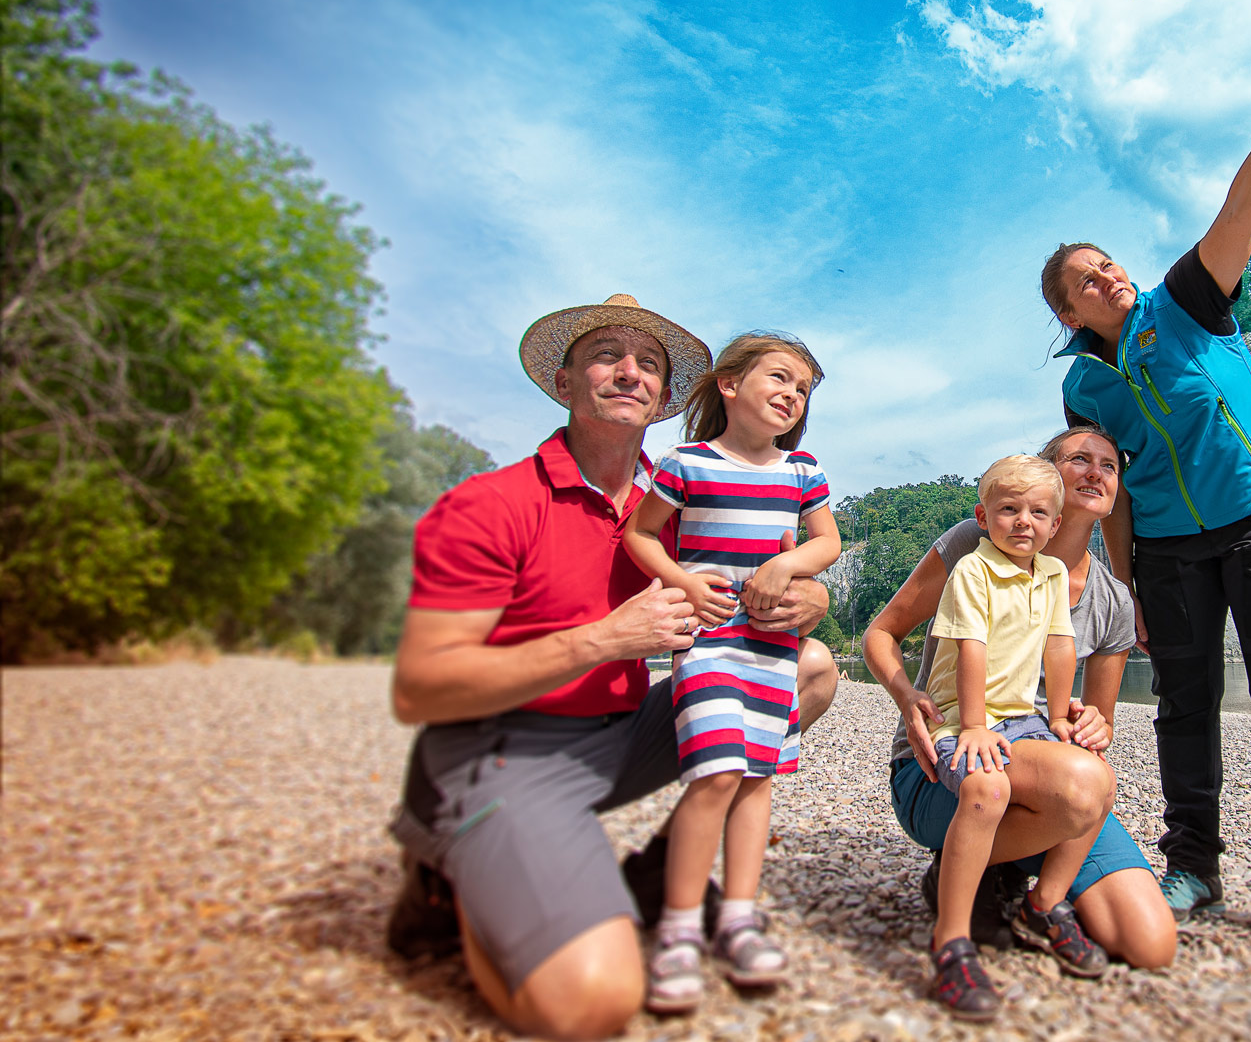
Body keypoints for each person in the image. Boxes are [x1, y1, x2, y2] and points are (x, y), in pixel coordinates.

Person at [385, 295, 838, 1040]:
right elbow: (420, 689)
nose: (630, 371)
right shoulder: (491, 504)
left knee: (812, 668)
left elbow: (771, 552)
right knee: (591, 1003)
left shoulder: (684, 488)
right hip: (504, 748)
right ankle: (453, 878)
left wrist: (806, 594)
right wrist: (599, 640)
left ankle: (663, 872)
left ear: (663, 397)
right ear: (564, 382)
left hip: (618, 732)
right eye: (606, 354)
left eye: (650, 363)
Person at [1039, 0, 1251, 970]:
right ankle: (1193, 865)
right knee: (1184, 703)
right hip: (1173, 551)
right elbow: (1111, 496)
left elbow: (1246, 200)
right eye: (1081, 280)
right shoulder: (1086, 395)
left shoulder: (1185, 300)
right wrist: (1126, 587)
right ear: (1068, 315)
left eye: (1106, 263)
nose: (1105, 275)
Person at [865, 426, 1178, 984]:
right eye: (1079, 459)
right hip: (942, 759)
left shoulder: (1111, 601)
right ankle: (966, 890)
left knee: (1148, 941)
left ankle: (1027, 893)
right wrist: (905, 693)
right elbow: (880, 635)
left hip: (1041, 762)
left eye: (1109, 465)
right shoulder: (971, 547)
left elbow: (1091, 726)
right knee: (1039, 785)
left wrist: (1089, 724)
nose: (1096, 472)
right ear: (1047, 473)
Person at [621, 333, 841, 1013]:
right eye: (779, 378)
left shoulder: (803, 471)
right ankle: (681, 930)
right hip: (710, 644)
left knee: (756, 782)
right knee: (715, 776)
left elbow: (827, 541)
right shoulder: (687, 463)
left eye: (802, 390)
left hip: (774, 649)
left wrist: (789, 566)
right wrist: (683, 581)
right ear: (728, 384)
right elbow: (639, 533)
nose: (791, 395)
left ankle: (738, 918)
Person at [918, 455, 1106, 1020]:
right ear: (983, 516)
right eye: (1009, 510)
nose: (1023, 522)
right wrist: (973, 725)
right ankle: (951, 942)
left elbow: (1058, 647)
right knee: (987, 791)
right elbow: (971, 650)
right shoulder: (972, 570)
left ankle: (1041, 906)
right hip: (959, 715)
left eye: (1037, 513)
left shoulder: (1049, 573)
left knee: (1096, 782)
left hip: (1023, 716)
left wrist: (1059, 719)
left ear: (1054, 524)